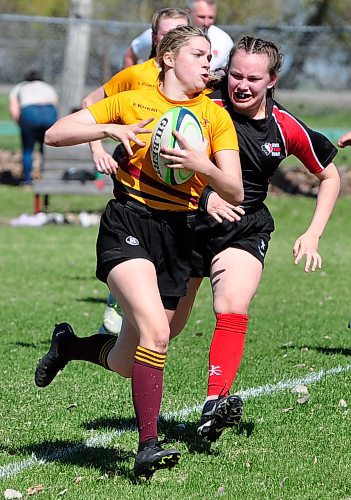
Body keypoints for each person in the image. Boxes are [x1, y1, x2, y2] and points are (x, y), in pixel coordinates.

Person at [35, 34, 340, 451]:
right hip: (184, 228)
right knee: (138, 351)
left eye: (253, 78)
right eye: (234, 74)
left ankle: (214, 401)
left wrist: (313, 231)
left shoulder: (282, 126)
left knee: (231, 304)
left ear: (272, 81)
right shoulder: (201, 99)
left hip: (242, 228)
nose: (242, 85)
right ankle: (70, 345)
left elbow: (325, 175)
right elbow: (123, 101)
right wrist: (111, 137)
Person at [36, 26, 244, 478]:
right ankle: (147, 446)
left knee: (129, 361)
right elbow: (55, 133)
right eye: (198, 54)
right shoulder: (134, 98)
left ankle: (69, 346)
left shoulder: (214, 117)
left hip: (179, 233)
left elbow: (235, 187)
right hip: (128, 222)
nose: (209, 62)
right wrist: (109, 127)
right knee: (156, 333)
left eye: (211, 55)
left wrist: (200, 165)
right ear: (169, 58)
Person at [83, 7, 191, 335]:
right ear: (154, 38)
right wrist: (97, 147)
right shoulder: (135, 76)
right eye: (167, 34)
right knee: (135, 239)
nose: (174, 40)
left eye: (182, 33)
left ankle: (138, 315)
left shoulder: (197, 78)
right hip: (134, 175)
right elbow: (91, 103)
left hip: (178, 186)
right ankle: (121, 304)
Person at [123, 0, 233, 71]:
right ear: (188, 12)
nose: (206, 22)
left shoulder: (224, 40)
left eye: (211, 17)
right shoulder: (164, 33)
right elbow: (131, 53)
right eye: (201, 16)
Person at [8, 70, 58, 186]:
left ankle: (27, 181)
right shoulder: (47, 87)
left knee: (28, 149)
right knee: (47, 147)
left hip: (29, 113)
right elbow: (55, 105)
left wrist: (22, 125)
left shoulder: (20, 87)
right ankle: (47, 178)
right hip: (49, 113)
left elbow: (14, 110)